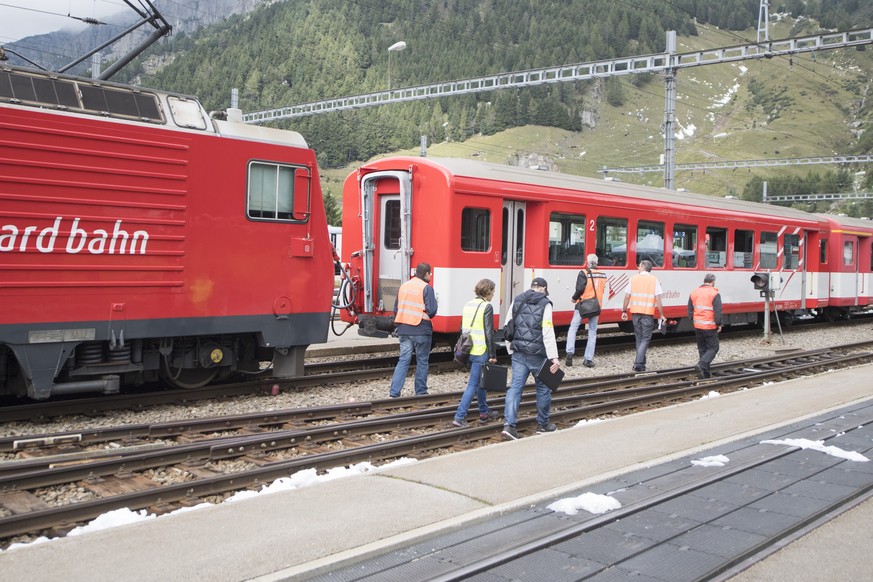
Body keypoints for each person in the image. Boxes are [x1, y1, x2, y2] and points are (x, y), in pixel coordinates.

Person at [502, 277, 561, 440]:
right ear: (543, 288)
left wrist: (510, 350)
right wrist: (554, 357)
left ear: (532, 287)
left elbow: (508, 325)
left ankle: (509, 425)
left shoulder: (517, 300)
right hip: (539, 355)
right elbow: (548, 331)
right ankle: (543, 424)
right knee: (543, 388)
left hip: (519, 353)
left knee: (515, 388)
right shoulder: (545, 304)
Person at [451, 279, 500, 427]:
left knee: (480, 383)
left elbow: (461, 329)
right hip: (480, 351)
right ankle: (459, 417)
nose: (493, 294)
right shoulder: (487, 307)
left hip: (468, 350)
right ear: (488, 291)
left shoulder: (468, 305)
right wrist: (492, 355)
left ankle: (484, 412)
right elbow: (489, 333)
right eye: (493, 291)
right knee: (473, 384)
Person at [388, 262, 438, 397]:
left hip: (404, 329)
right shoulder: (426, 288)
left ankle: (394, 393)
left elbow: (396, 309)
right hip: (421, 330)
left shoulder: (404, 286)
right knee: (422, 361)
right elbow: (432, 311)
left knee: (403, 360)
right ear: (427, 274)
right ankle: (421, 392)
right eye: (430, 274)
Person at [621, 259, 665, 372]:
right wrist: (661, 314)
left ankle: (641, 364)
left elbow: (627, 296)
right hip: (647, 314)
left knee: (639, 338)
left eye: (639, 266)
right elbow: (658, 299)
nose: (638, 268)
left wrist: (624, 311)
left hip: (635, 313)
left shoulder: (633, 278)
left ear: (643, 267)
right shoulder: (654, 280)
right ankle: (638, 363)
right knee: (645, 338)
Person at [566, 253, 608, 368]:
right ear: (597, 263)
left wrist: (574, 298)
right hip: (596, 306)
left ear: (587, 262)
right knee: (593, 331)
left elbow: (580, 289)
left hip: (582, 305)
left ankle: (570, 351)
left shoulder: (583, 273)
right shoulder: (603, 275)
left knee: (574, 327)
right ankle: (588, 359)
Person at [688, 273, 723, 378]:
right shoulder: (714, 293)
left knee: (702, 348)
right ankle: (702, 364)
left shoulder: (694, 292)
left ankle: (705, 373)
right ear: (712, 282)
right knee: (713, 348)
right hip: (709, 326)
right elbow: (718, 311)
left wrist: (693, 319)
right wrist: (719, 324)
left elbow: (690, 310)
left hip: (698, 325)